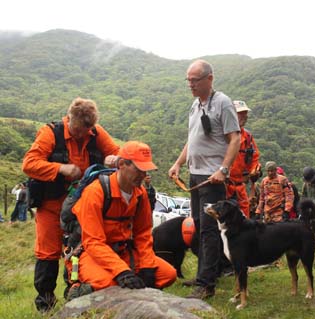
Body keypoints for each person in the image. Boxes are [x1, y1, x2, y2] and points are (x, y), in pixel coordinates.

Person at [22, 97, 120, 312]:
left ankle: (75, 296)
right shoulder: (50, 133)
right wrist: (60, 169)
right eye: (77, 131)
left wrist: (113, 159)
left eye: (86, 130)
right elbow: (29, 164)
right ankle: (45, 305)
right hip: (51, 205)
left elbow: (116, 152)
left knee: (79, 251)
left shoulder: (96, 132)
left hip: (82, 207)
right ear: (69, 119)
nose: (82, 135)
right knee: (47, 253)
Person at [168, 59, 240, 299]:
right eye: (188, 80)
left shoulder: (223, 103)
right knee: (199, 227)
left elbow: (235, 139)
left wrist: (224, 169)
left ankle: (206, 284)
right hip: (195, 175)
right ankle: (213, 270)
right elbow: (193, 139)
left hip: (213, 178)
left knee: (209, 230)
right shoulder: (195, 105)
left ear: (209, 78)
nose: (191, 84)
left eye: (195, 80)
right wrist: (178, 163)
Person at [70, 141, 177, 296]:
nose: (143, 175)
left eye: (146, 170)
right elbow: (93, 242)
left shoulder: (140, 195)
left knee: (167, 275)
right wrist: (121, 272)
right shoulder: (95, 193)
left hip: (124, 252)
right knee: (110, 283)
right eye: (139, 169)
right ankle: (78, 289)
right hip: (92, 254)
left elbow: (143, 234)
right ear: (121, 164)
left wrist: (147, 265)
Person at [226, 100, 261, 217]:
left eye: (245, 113)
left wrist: (254, 170)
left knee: (244, 218)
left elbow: (255, 158)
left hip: (240, 186)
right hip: (223, 185)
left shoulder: (248, 137)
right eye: (240, 113)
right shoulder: (221, 134)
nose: (244, 116)